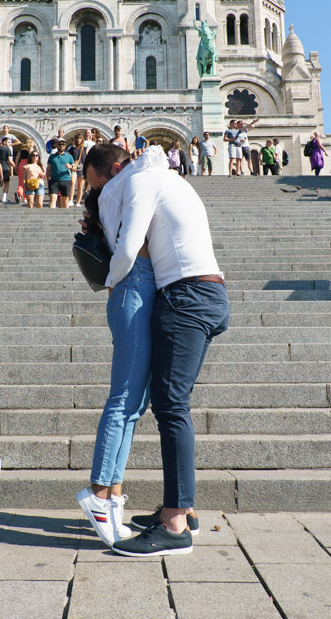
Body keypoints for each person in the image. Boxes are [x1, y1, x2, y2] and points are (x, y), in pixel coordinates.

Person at [83, 143, 228, 558]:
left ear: (114, 168)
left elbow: (129, 247)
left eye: (102, 184)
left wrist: (111, 281)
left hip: (186, 294)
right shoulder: (168, 176)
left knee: (170, 407)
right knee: (169, 404)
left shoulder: (144, 178)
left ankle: (176, 523)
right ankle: (182, 511)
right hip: (202, 292)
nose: (106, 194)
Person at [74, 146, 166, 547]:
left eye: (100, 180)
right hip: (131, 282)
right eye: (97, 185)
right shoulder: (127, 181)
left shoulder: (122, 182)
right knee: (125, 396)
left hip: (141, 283)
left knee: (135, 402)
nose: (100, 190)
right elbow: (155, 159)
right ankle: (98, 494)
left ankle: (112, 497)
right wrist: (114, 281)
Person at [46, 139, 75, 208]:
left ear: (65, 146)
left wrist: (70, 166)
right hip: (54, 180)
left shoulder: (69, 156)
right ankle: (51, 217)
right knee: (53, 198)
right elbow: (48, 169)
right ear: (57, 146)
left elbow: (74, 168)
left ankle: (66, 217)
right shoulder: (52, 156)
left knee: (65, 200)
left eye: (63, 145)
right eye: (59, 144)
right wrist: (48, 179)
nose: (61, 146)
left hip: (65, 180)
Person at [0, 134, 15, 204]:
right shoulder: (8, 149)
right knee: (6, 183)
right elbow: (10, 160)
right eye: (8, 142)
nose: (10, 144)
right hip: (5, 168)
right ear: (4, 142)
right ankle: (4, 198)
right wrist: (15, 166)